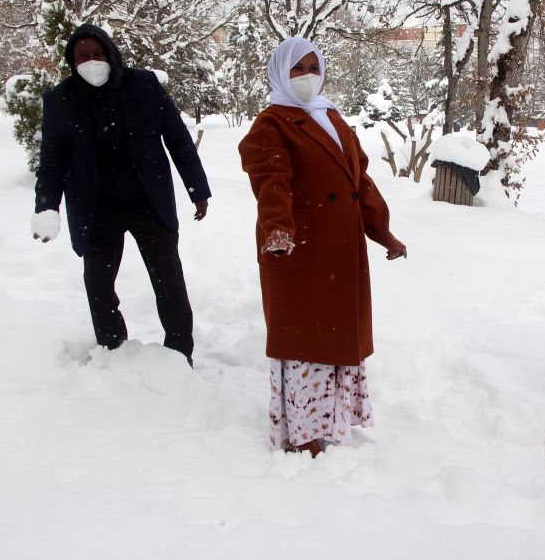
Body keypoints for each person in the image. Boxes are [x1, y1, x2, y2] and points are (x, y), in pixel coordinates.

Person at [238, 37, 407, 457]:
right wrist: (278, 230)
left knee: (334, 339)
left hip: (341, 250)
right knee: (305, 344)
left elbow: (360, 182)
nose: (307, 75)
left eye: (314, 66)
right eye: (298, 68)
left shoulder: (331, 116)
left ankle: (331, 417)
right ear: (280, 73)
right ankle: (302, 429)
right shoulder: (271, 123)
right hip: (299, 251)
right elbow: (270, 182)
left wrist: (382, 231)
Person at [30, 23, 210, 366]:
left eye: (98, 53)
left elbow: (177, 138)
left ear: (111, 54)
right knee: (99, 287)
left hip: (148, 201)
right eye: (83, 56)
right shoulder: (60, 101)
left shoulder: (143, 85)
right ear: (72, 61)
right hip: (96, 209)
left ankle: (179, 357)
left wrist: (196, 189)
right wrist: (46, 208)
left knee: (169, 282)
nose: (92, 61)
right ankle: (113, 353)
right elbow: (51, 163)